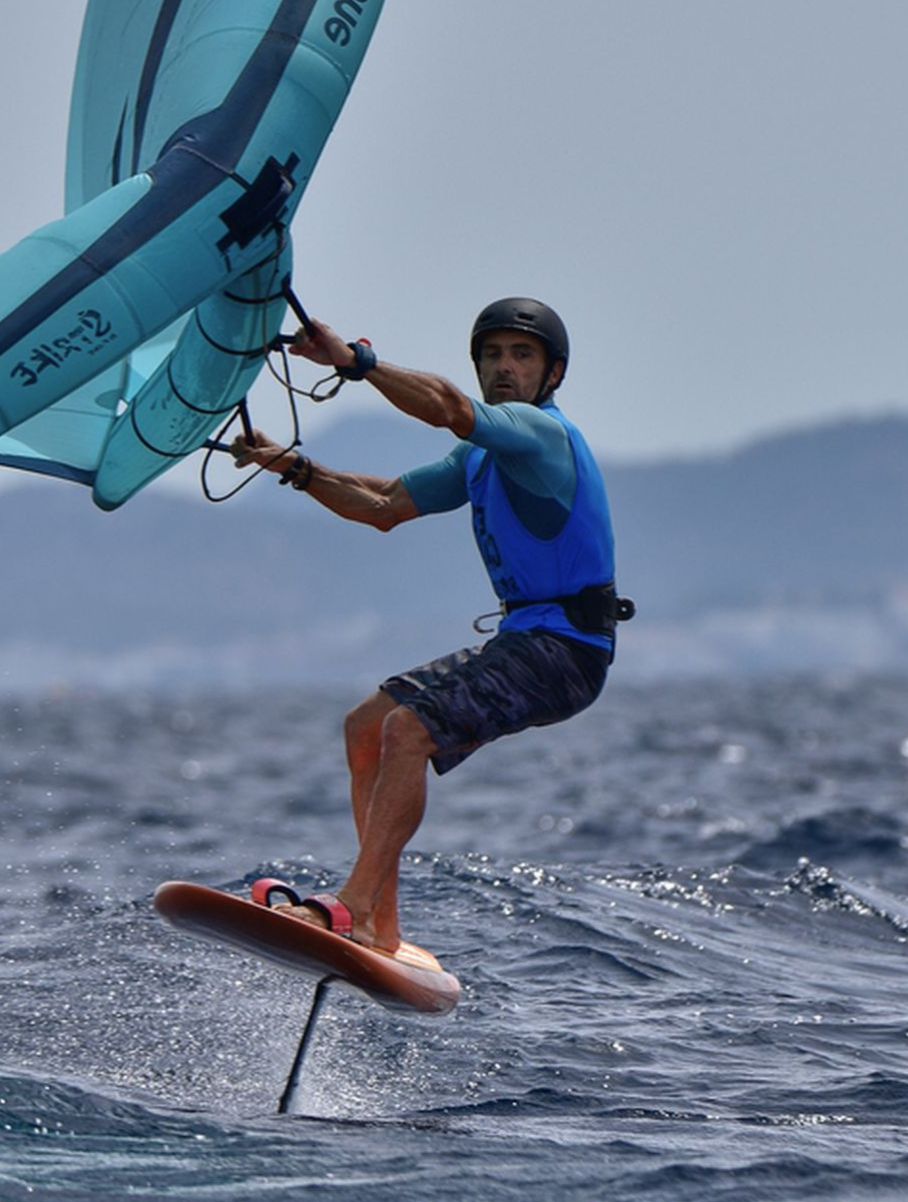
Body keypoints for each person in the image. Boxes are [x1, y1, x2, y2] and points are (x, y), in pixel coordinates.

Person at [230, 297, 625, 954]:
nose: (505, 368)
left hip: (568, 650)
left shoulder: (538, 432)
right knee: (366, 729)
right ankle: (379, 925)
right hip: (526, 641)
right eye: (493, 355)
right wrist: (289, 465)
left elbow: (444, 407)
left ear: (551, 374)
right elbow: (382, 505)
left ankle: (351, 905)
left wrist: (355, 362)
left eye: (521, 356)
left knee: (407, 730)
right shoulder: (479, 461)